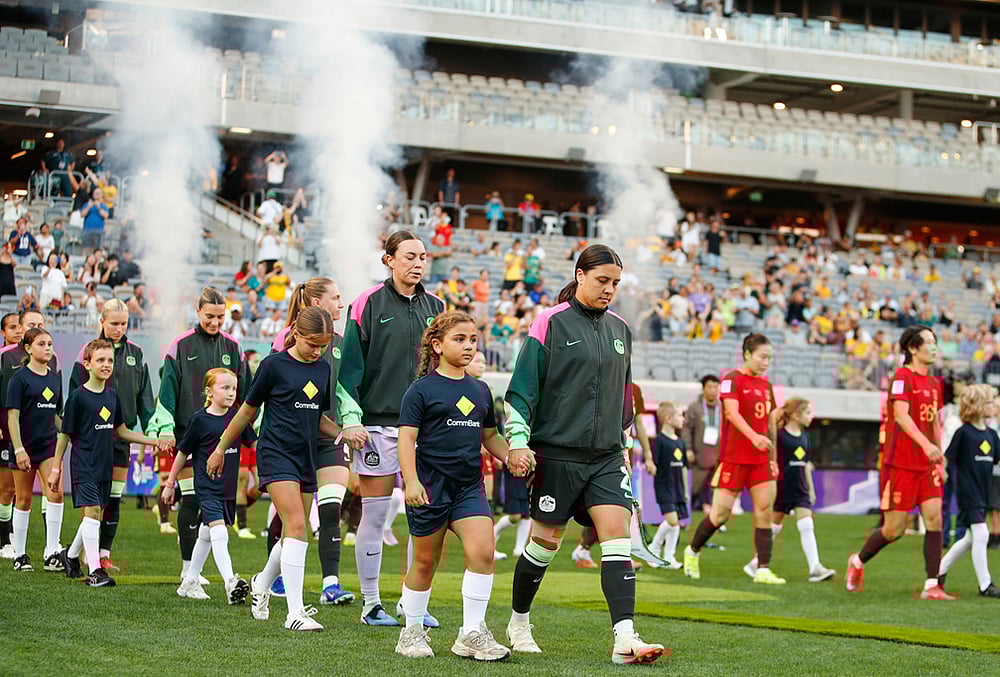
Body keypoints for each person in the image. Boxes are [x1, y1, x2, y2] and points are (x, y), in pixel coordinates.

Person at [503, 244, 665, 665]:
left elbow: (624, 398)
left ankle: (625, 639)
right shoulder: (549, 323)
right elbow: (522, 391)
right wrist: (519, 442)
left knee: (617, 541)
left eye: (615, 283)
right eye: (602, 281)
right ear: (579, 276)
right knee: (545, 544)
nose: (609, 290)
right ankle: (518, 622)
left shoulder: (621, 330)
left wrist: (625, 446)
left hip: (607, 458)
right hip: (556, 455)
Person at [217, 306, 361, 632]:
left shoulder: (323, 369)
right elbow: (246, 413)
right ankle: (294, 612)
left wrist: (345, 432)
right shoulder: (272, 366)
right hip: (275, 453)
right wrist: (221, 447)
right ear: (295, 332)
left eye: (322, 345)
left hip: (305, 456)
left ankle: (260, 584)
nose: (317, 351)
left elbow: (317, 417)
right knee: (297, 526)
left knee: (292, 533)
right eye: (312, 343)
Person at [395, 311, 518, 660]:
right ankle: (411, 633)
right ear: (437, 345)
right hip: (429, 488)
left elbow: (490, 436)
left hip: (469, 488)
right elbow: (406, 441)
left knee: (483, 552)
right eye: (459, 339)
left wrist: (511, 456)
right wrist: (412, 481)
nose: (468, 346)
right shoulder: (420, 391)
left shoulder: (481, 390)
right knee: (424, 563)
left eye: (473, 340)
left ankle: (471, 633)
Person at [338, 230, 446, 627]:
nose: (418, 264)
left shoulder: (437, 306)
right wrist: (352, 420)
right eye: (409, 257)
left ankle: (412, 602)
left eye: (423, 257)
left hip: (428, 429)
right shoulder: (366, 303)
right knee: (377, 516)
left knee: (429, 515)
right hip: (378, 425)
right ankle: (370, 605)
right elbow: (348, 369)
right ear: (389, 260)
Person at [267, 278, 365, 606]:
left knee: (331, 508)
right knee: (290, 519)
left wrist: (348, 426)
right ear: (314, 303)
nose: (341, 303)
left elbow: (345, 390)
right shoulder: (285, 339)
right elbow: (268, 392)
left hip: (329, 436)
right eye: (335, 298)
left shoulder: (341, 342)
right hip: (291, 441)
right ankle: (272, 578)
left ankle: (330, 584)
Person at [146, 287, 249, 585]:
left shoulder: (234, 347)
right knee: (191, 498)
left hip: (224, 438)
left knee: (212, 503)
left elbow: (245, 395)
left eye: (220, 317)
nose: (215, 323)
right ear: (198, 311)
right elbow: (167, 391)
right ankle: (187, 566)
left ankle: (194, 573)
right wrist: (164, 428)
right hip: (189, 433)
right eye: (209, 317)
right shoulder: (180, 345)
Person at [846, 325, 952, 600]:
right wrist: (925, 445)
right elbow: (902, 417)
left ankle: (932, 585)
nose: (934, 347)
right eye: (928, 342)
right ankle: (857, 561)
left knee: (935, 519)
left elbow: (935, 424)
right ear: (913, 349)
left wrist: (939, 456)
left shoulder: (935, 383)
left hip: (928, 464)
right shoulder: (902, 377)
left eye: (935, 341)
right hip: (902, 464)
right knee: (895, 529)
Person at [51, 339, 167, 587]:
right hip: (84, 465)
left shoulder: (112, 397)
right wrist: (56, 467)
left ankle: (70, 556)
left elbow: (122, 431)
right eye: (100, 360)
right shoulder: (78, 398)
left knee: (95, 515)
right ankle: (95, 571)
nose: (106, 365)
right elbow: (64, 435)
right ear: (87, 364)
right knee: (92, 513)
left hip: (105, 464)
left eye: (110, 360)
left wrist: (153, 441)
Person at [683, 333, 786, 585]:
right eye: (762, 357)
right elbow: (731, 412)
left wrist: (772, 456)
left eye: (770, 358)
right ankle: (692, 551)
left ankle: (762, 568)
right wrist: (754, 437)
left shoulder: (766, 385)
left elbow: (770, 424)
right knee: (720, 515)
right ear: (747, 354)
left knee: (764, 510)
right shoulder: (730, 380)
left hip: (761, 459)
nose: (766, 363)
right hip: (734, 458)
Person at [68, 300, 155, 573]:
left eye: (123, 323)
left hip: (121, 437)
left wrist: (151, 432)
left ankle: (102, 554)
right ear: (102, 321)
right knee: (92, 505)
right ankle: (88, 559)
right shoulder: (88, 351)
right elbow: (74, 395)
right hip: (92, 441)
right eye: (113, 323)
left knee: (112, 499)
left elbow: (144, 398)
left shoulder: (136, 353)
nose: (118, 328)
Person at [161, 368, 256, 603]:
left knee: (205, 533)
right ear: (209, 392)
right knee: (220, 532)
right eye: (225, 387)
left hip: (227, 489)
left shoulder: (238, 418)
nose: (231, 393)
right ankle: (230, 582)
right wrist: (170, 483)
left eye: (234, 388)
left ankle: (190, 580)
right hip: (207, 487)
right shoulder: (200, 420)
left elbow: (256, 444)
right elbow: (183, 453)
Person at [742, 397, 835, 582]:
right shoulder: (780, 436)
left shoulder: (805, 437)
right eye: (808, 412)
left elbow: (805, 464)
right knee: (774, 526)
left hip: (800, 488)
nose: (812, 416)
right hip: (782, 487)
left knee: (806, 525)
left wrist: (811, 489)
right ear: (795, 415)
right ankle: (755, 563)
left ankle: (815, 568)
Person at [7, 327, 63, 572]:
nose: (47, 348)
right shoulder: (18, 379)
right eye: (41, 344)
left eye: (50, 343)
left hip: (48, 445)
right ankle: (20, 555)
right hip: (25, 447)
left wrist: (73, 432)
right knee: (24, 499)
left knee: (56, 494)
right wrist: (19, 449)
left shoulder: (55, 377)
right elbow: (12, 417)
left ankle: (51, 552)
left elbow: (57, 416)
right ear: (28, 348)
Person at [936, 384, 1000, 598]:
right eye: (990, 402)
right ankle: (985, 585)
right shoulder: (964, 433)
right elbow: (947, 457)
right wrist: (941, 472)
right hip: (968, 492)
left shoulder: (992, 435)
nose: (994, 406)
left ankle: (939, 571)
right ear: (978, 406)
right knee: (982, 534)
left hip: (983, 493)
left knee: (970, 539)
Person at [648, 402, 687, 569]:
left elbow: (684, 467)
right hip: (665, 487)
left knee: (675, 522)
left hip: (678, 489)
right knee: (672, 521)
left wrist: (685, 490)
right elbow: (653, 465)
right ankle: (653, 549)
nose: (682, 419)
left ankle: (668, 557)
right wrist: (651, 466)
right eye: (679, 415)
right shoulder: (659, 441)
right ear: (668, 419)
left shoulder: (680, 442)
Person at [683, 375, 722, 512]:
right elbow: (686, 429)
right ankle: (683, 515)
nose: (713, 390)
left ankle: (714, 518)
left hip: (718, 456)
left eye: (716, 387)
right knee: (693, 488)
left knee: (716, 490)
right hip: (699, 455)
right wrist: (688, 449)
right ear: (703, 388)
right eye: (710, 387)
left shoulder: (723, 407)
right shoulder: (695, 407)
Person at [0, 313, 21, 559]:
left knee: (18, 488)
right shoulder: (4, 358)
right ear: (3, 332)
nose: (17, 330)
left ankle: (14, 532)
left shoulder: (31, 359)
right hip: (4, 429)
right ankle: (4, 539)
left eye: (19, 326)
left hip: (27, 431)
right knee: (6, 487)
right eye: (12, 327)